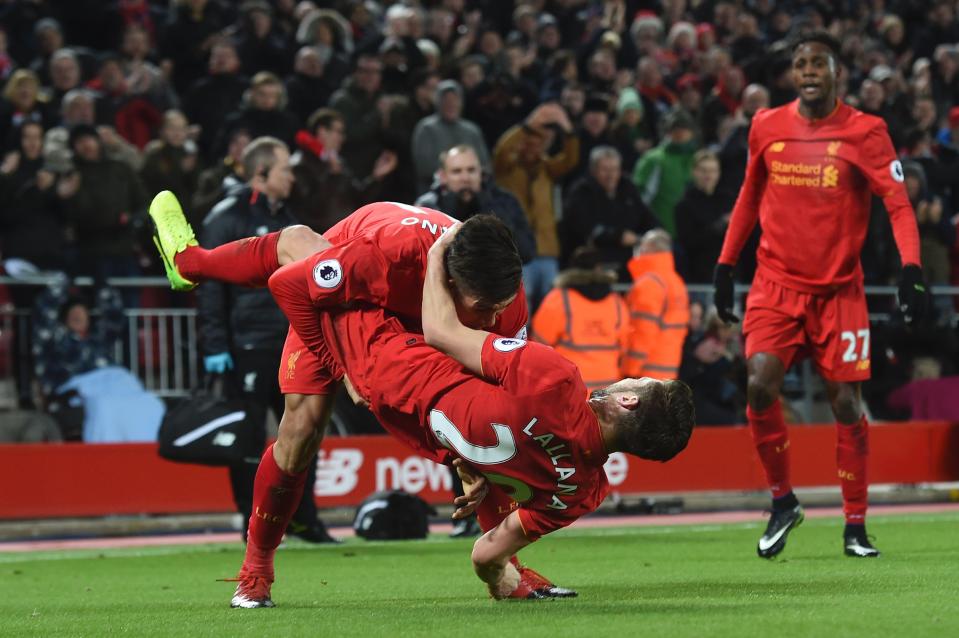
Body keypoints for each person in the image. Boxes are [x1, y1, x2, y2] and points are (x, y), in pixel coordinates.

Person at [246, 217, 693, 603]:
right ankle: (511, 576)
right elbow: (509, 466)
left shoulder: (555, 378)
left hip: (394, 360)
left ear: (628, 400)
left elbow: (440, 333)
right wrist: (495, 558)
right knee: (304, 431)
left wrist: (440, 248)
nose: (633, 376)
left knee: (299, 249)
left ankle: (191, 262)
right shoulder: (586, 492)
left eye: (641, 382)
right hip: (417, 413)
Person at [148, 196, 542, 607]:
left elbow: (494, 402)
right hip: (345, 297)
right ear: (449, 284)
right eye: (483, 310)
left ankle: (508, 566)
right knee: (302, 429)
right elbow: (289, 283)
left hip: (414, 309)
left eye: (499, 309)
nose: (494, 323)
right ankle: (256, 569)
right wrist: (343, 368)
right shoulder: (384, 259)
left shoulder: (504, 298)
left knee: (485, 424)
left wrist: (468, 454)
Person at [712, 32, 928, 560]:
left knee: (846, 402)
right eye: (800, 63)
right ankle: (782, 501)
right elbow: (748, 195)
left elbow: (898, 205)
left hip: (839, 293)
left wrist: (912, 269)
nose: (807, 71)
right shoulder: (767, 124)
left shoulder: (867, 131)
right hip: (775, 284)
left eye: (817, 63)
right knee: (760, 385)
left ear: (836, 73)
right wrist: (725, 265)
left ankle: (855, 525)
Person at [195, 136, 335, 545]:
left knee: (307, 431)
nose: (292, 177)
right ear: (260, 173)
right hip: (248, 345)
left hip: (293, 340)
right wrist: (217, 344)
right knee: (249, 439)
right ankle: (250, 521)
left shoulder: (289, 217)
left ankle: (305, 520)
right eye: (284, 170)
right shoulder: (227, 216)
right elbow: (210, 283)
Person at [415, 144, 535, 264]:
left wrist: (493, 216)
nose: (465, 178)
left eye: (471, 170)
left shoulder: (505, 202)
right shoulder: (427, 207)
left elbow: (527, 252)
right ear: (443, 176)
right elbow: (417, 254)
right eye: (457, 171)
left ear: (481, 173)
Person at [531, 247, 630, 391]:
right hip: (608, 391)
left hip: (570, 388)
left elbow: (539, 345)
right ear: (599, 268)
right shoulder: (616, 302)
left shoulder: (558, 299)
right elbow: (625, 344)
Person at [623, 230, 689, 380]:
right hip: (668, 367)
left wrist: (630, 371)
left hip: (645, 371)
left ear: (648, 248)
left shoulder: (649, 284)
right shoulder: (676, 282)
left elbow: (643, 330)